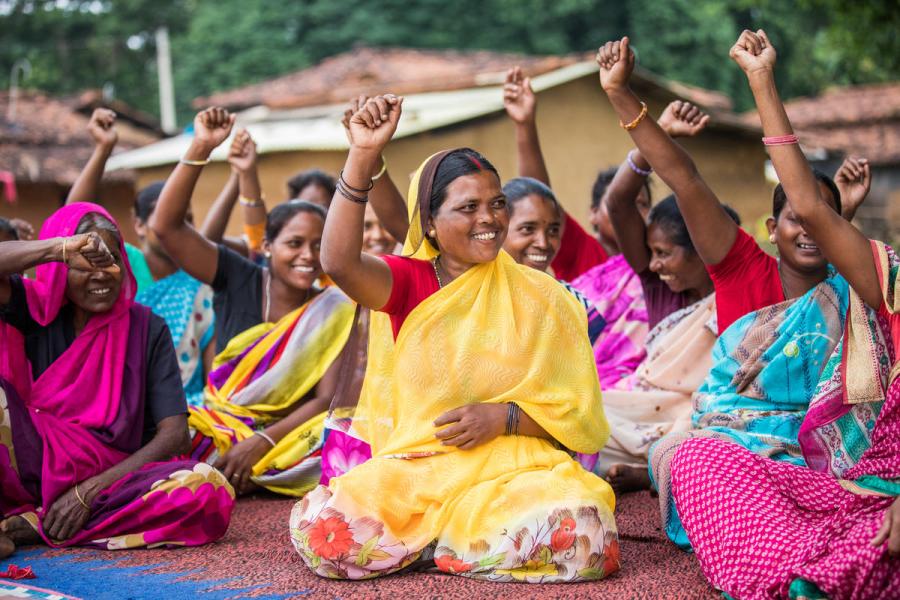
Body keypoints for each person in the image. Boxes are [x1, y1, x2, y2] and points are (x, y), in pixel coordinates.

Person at [290, 94, 618, 582]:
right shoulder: (410, 281)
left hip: (516, 469)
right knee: (329, 533)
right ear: (430, 224)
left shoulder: (543, 295)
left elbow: (579, 418)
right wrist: (361, 156)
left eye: (497, 204)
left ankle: (437, 546)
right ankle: (456, 544)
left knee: (584, 529)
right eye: (468, 207)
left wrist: (504, 418)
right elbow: (338, 263)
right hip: (420, 470)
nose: (489, 219)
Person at [669, 29, 899, 599]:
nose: (804, 230)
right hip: (835, 483)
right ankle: (795, 571)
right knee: (697, 458)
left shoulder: (850, 290)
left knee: (875, 551)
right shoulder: (886, 283)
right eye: (793, 223)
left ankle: (811, 573)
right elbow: (810, 210)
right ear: (771, 232)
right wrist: (762, 81)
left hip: (884, 502)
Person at [0, 203, 234, 560]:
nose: (101, 274)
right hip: (32, 464)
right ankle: (48, 517)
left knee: (206, 488)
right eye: (84, 262)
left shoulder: (146, 327)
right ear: (60, 268)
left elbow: (174, 435)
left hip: (111, 479)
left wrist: (88, 492)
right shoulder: (34, 309)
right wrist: (60, 248)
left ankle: (42, 523)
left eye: (110, 260)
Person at [149, 107, 356, 497]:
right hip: (215, 425)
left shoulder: (336, 307)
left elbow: (326, 398)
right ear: (266, 246)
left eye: (318, 244)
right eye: (294, 244)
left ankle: (245, 469)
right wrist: (201, 146)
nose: (308, 256)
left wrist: (261, 441)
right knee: (166, 450)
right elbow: (166, 227)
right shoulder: (237, 275)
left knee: (351, 443)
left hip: (285, 437)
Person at [502, 66, 649, 390]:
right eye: (619, 202)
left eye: (642, 204)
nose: (631, 211)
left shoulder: (660, 268)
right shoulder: (587, 255)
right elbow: (537, 197)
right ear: (594, 214)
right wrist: (524, 125)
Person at [66, 109, 216, 407]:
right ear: (139, 225)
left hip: (190, 407)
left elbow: (211, 367)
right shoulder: (122, 263)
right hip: (123, 401)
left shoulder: (200, 275)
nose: (177, 229)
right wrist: (104, 149)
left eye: (186, 220)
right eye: (167, 220)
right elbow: (73, 217)